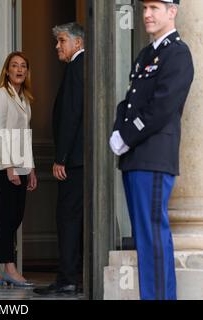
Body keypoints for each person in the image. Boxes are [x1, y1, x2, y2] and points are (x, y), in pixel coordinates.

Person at [109, 0, 193, 300]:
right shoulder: (146, 54)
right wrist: (117, 130)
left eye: (155, 8)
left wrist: (127, 136)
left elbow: (162, 106)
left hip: (154, 156)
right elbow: (129, 101)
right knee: (145, 239)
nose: (147, 14)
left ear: (172, 12)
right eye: (145, 7)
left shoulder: (178, 54)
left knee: (153, 237)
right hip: (135, 157)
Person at [0, 52, 38, 287]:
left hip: (22, 165)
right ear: (7, 70)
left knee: (16, 216)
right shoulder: (1, 95)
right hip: (4, 165)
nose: (19, 69)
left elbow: (25, 136)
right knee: (8, 217)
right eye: (14, 65)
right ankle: (4, 267)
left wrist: (31, 169)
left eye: (23, 66)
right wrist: (9, 167)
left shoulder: (24, 98)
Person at [34, 22, 85, 296]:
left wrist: (60, 158)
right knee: (74, 218)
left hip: (74, 161)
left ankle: (67, 279)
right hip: (81, 160)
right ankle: (71, 276)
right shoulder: (81, 66)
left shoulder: (77, 67)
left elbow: (71, 116)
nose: (57, 46)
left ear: (77, 43)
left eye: (61, 41)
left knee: (67, 218)